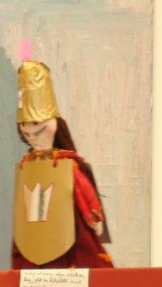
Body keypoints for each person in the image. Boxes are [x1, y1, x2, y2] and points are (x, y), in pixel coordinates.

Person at [12, 59, 113, 269]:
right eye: (25, 127)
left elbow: (83, 190)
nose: (31, 134)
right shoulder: (26, 165)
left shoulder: (67, 164)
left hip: (69, 236)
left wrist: (93, 213)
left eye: (37, 125)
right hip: (32, 240)